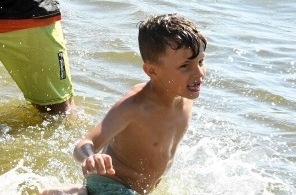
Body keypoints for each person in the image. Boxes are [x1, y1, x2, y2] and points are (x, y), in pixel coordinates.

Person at [41, 14, 207, 195]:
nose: (198, 73)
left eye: (201, 61)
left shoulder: (185, 97)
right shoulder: (134, 106)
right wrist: (91, 157)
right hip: (111, 185)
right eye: (185, 66)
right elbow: (84, 144)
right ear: (152, 70)